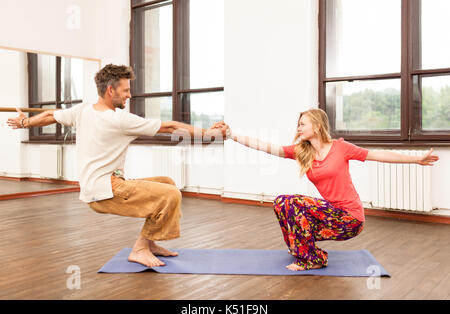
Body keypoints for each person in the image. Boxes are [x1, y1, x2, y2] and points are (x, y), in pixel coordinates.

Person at [7, 64, 228, 268]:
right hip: (105, 190)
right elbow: (170, 127)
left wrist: (24, 122)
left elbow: (48, 115)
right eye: (126, 90)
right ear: (111, 90)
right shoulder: (119, 120)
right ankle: (140, 249)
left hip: (99, 186)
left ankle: (150, 244)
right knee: (170, 195)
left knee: (167, 184)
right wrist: (208, 133)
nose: (129, 95)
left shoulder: (82, 110)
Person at [217, 108, 439, 271]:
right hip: (329, 218)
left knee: (291, 202)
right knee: (280, 202)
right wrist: (232, 135)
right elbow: (267, 147)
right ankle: (301, 250)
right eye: (298, 124)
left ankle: (312, 258)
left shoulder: (341, 148)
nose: (298, 128)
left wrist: (416, 159)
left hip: (350, 220)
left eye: (303, 124)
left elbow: (377, 155)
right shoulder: (302, 152)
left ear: (317, 126)